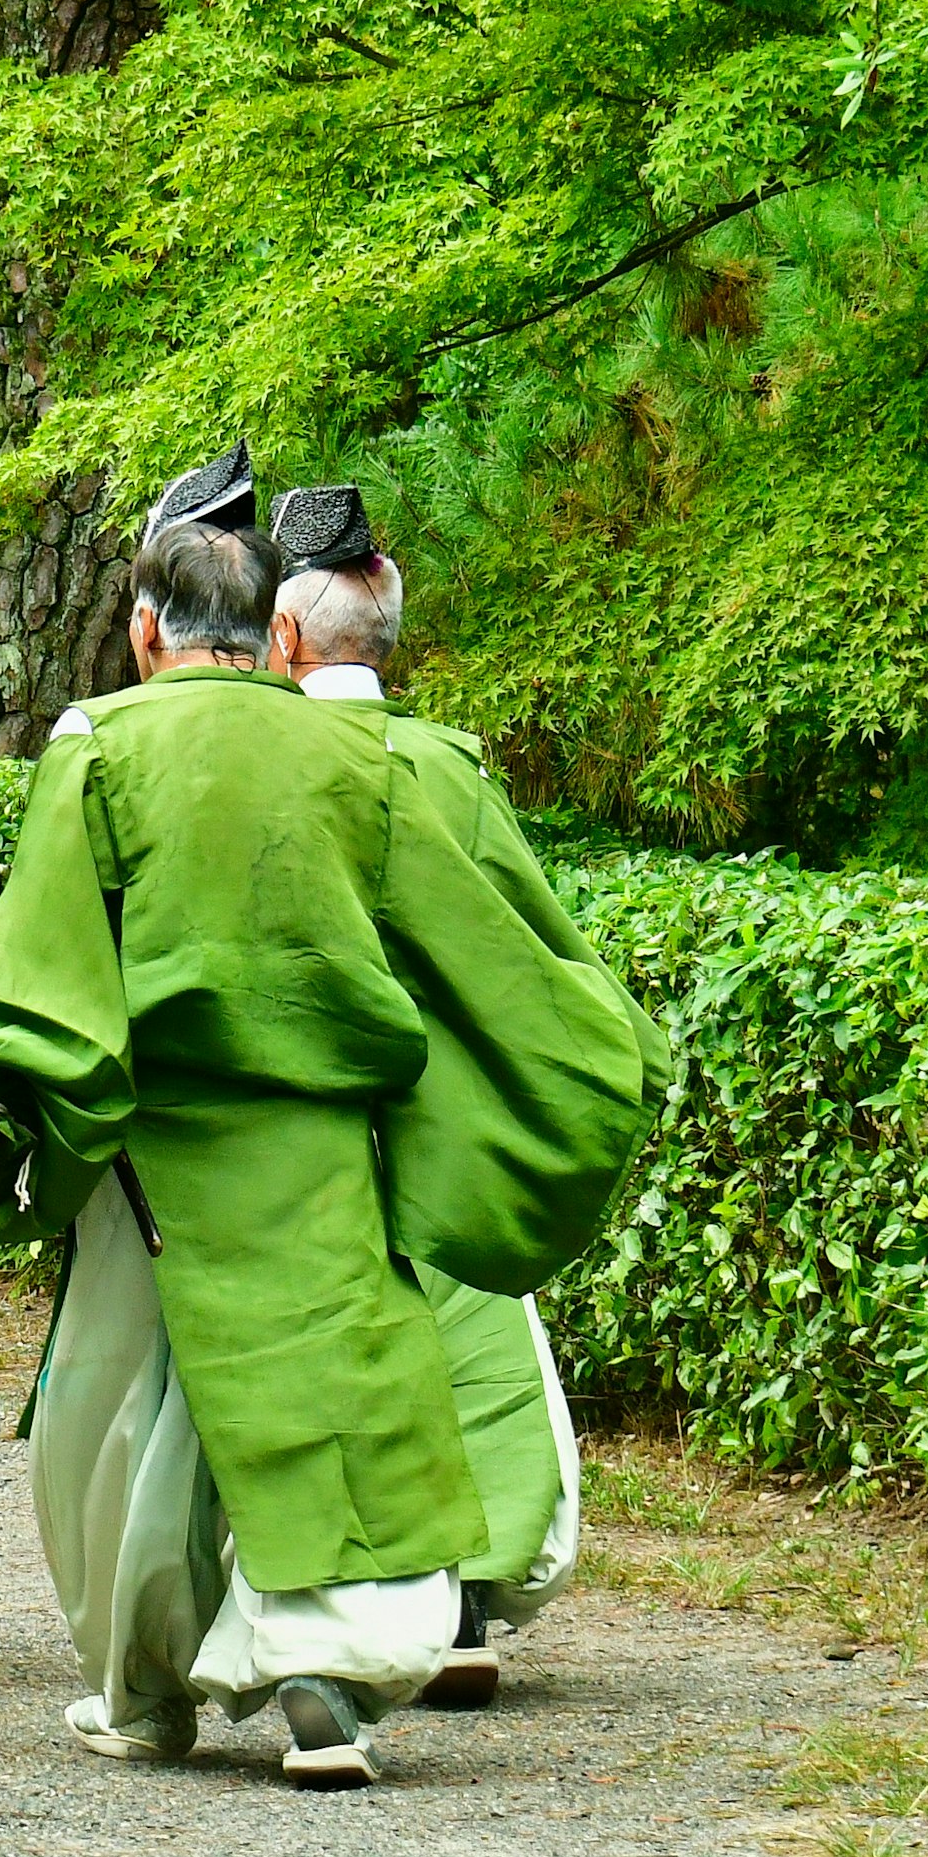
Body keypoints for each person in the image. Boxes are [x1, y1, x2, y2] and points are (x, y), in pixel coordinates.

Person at [0, 443, 652, 1791]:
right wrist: (586, 1068)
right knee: (335, 1391)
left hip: (156, 1147)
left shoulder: (99, 744)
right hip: (324, 1144)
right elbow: (478, 954)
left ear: (144, 629)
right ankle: (325, 1674)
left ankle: (144, 1696)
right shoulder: (356, 757)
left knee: (130, 1418)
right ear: (273, 635)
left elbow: (41, 963)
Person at [265, 483, 675, 1705]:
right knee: (476, 1331)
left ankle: (350, 1589)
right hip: (442, 1104)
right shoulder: (449, 768)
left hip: (313, 1102)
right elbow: (532, 940)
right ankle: (473, 1597)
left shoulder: (260, 767)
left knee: (330, 1341)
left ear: (282, 638)